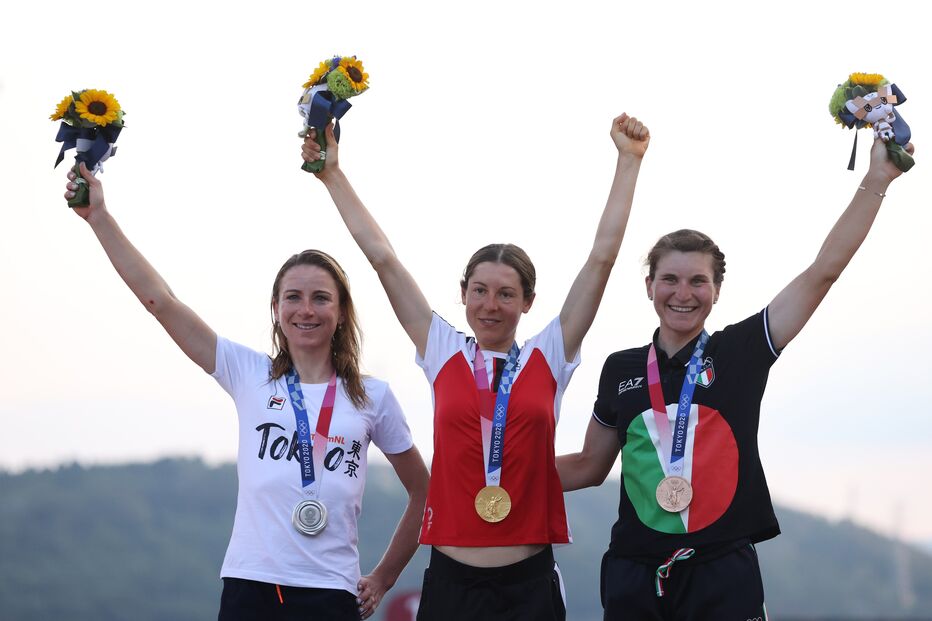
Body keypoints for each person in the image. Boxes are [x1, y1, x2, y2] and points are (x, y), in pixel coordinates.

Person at [302, 113, 650, 620]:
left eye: (506, 294)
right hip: (450, 582)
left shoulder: (548, 355)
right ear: (462, 294)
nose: (491, 305)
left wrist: (628, 162)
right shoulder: (442, 349)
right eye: (480, 291)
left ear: (528, 302)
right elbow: (383, 258)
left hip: (528, 584)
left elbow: (602, 258)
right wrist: (333, 173)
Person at [556, 136, 916, 619]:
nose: (683, 294)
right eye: (670, 280)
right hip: (635, 574)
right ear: (649, 287)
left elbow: (822, 272)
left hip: (720, 573)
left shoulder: (741, 350)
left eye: (698, 281)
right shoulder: (621, 368)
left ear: (717, 290)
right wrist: (491, 476)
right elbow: (588, 466)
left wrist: (877, 180)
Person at [63, 163, 430, 621]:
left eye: (320, 298)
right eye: (293, 297)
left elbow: (425, 492)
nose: (306, 310)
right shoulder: (248, 372)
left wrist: (384, 577)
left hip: (330, 593)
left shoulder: (372, 396)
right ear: (276, 309)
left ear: (340, 312)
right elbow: (160, 301)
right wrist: (99, 218)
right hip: (250, 586)